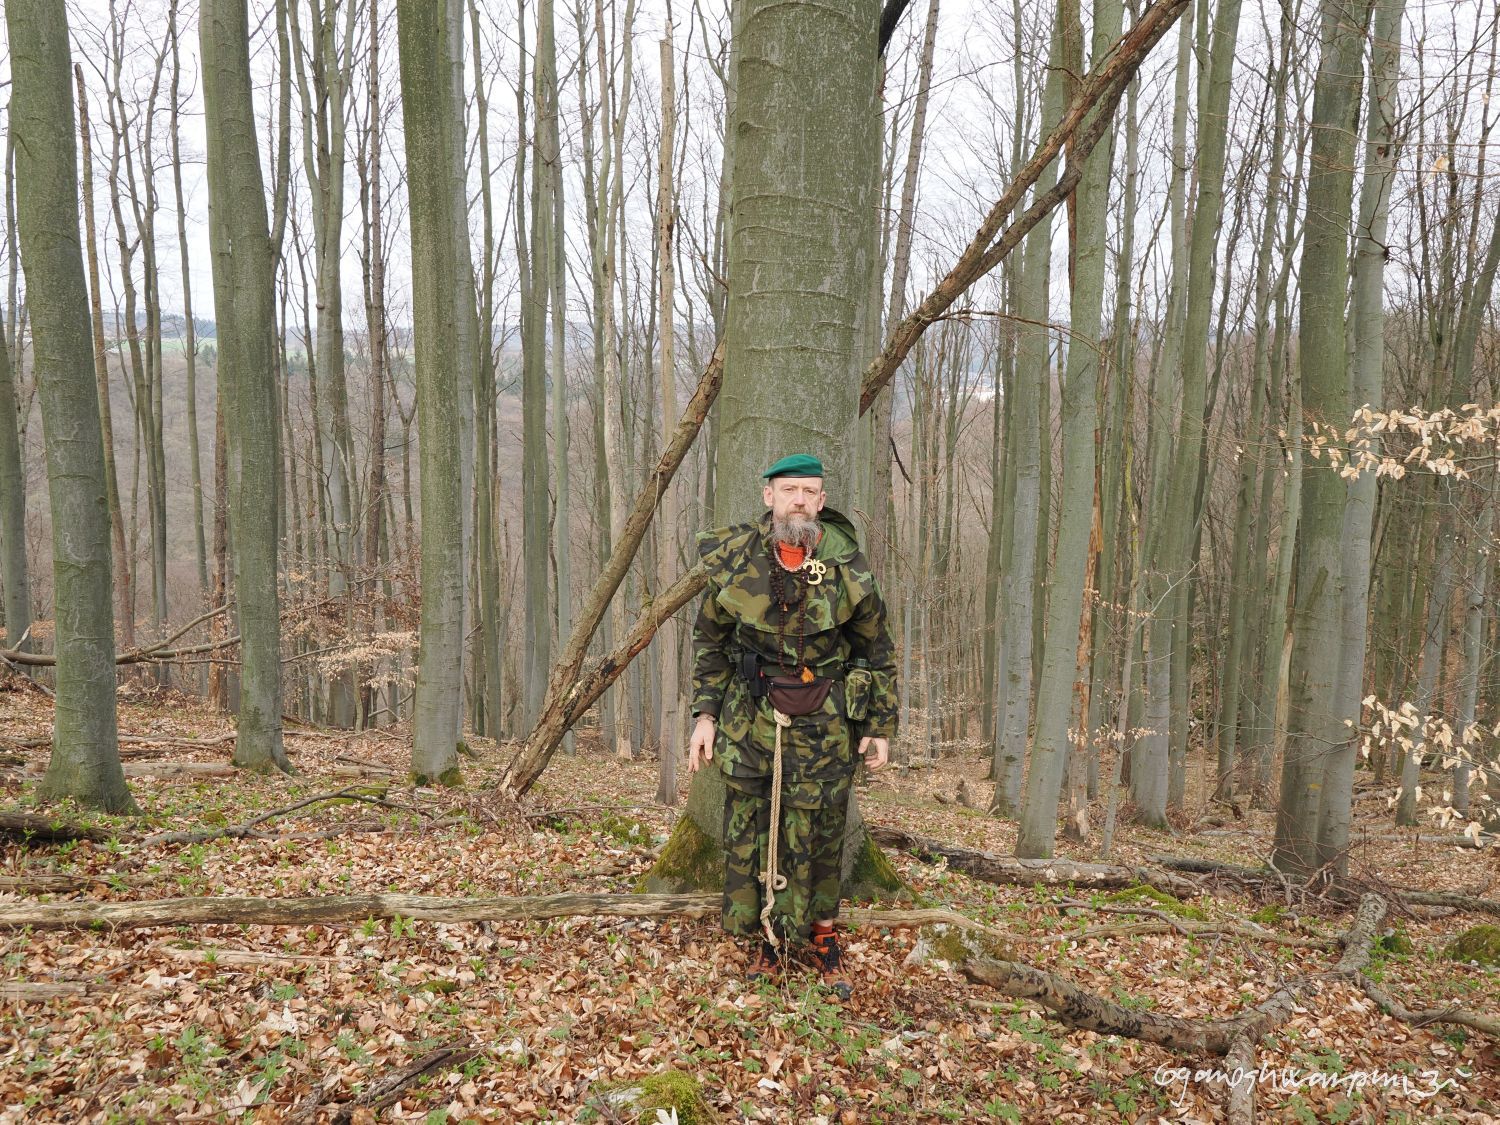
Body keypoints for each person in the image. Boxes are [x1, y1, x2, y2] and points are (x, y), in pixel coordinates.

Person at [687, 453, 898, 1000]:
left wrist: (879, 725)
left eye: (808, 491)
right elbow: (710, 644)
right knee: (755, 826)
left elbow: (877, 649)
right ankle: (765, 937)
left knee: (822, 828)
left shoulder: (848, 565)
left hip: (826, 722)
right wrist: (704, 716)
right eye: (788, 490)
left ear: (821, 501)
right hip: (750, 719)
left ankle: (823, 937)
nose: (798, 501)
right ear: (769, 497)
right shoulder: (736, 559)